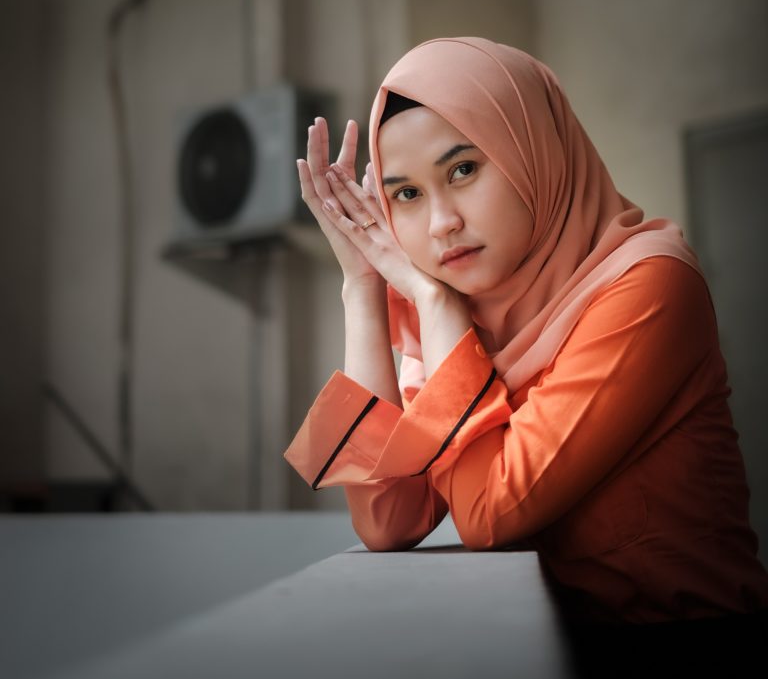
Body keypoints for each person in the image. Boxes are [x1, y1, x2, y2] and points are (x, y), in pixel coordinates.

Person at [284, 37, 768, 623]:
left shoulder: (651, 285)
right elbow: (390, 520)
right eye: (407, 194)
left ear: (535, 150)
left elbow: (488, 512)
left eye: (463, 169)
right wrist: (361, 285)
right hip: (545, 644)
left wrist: (436, 306)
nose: (441, 223)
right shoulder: (455, 316)